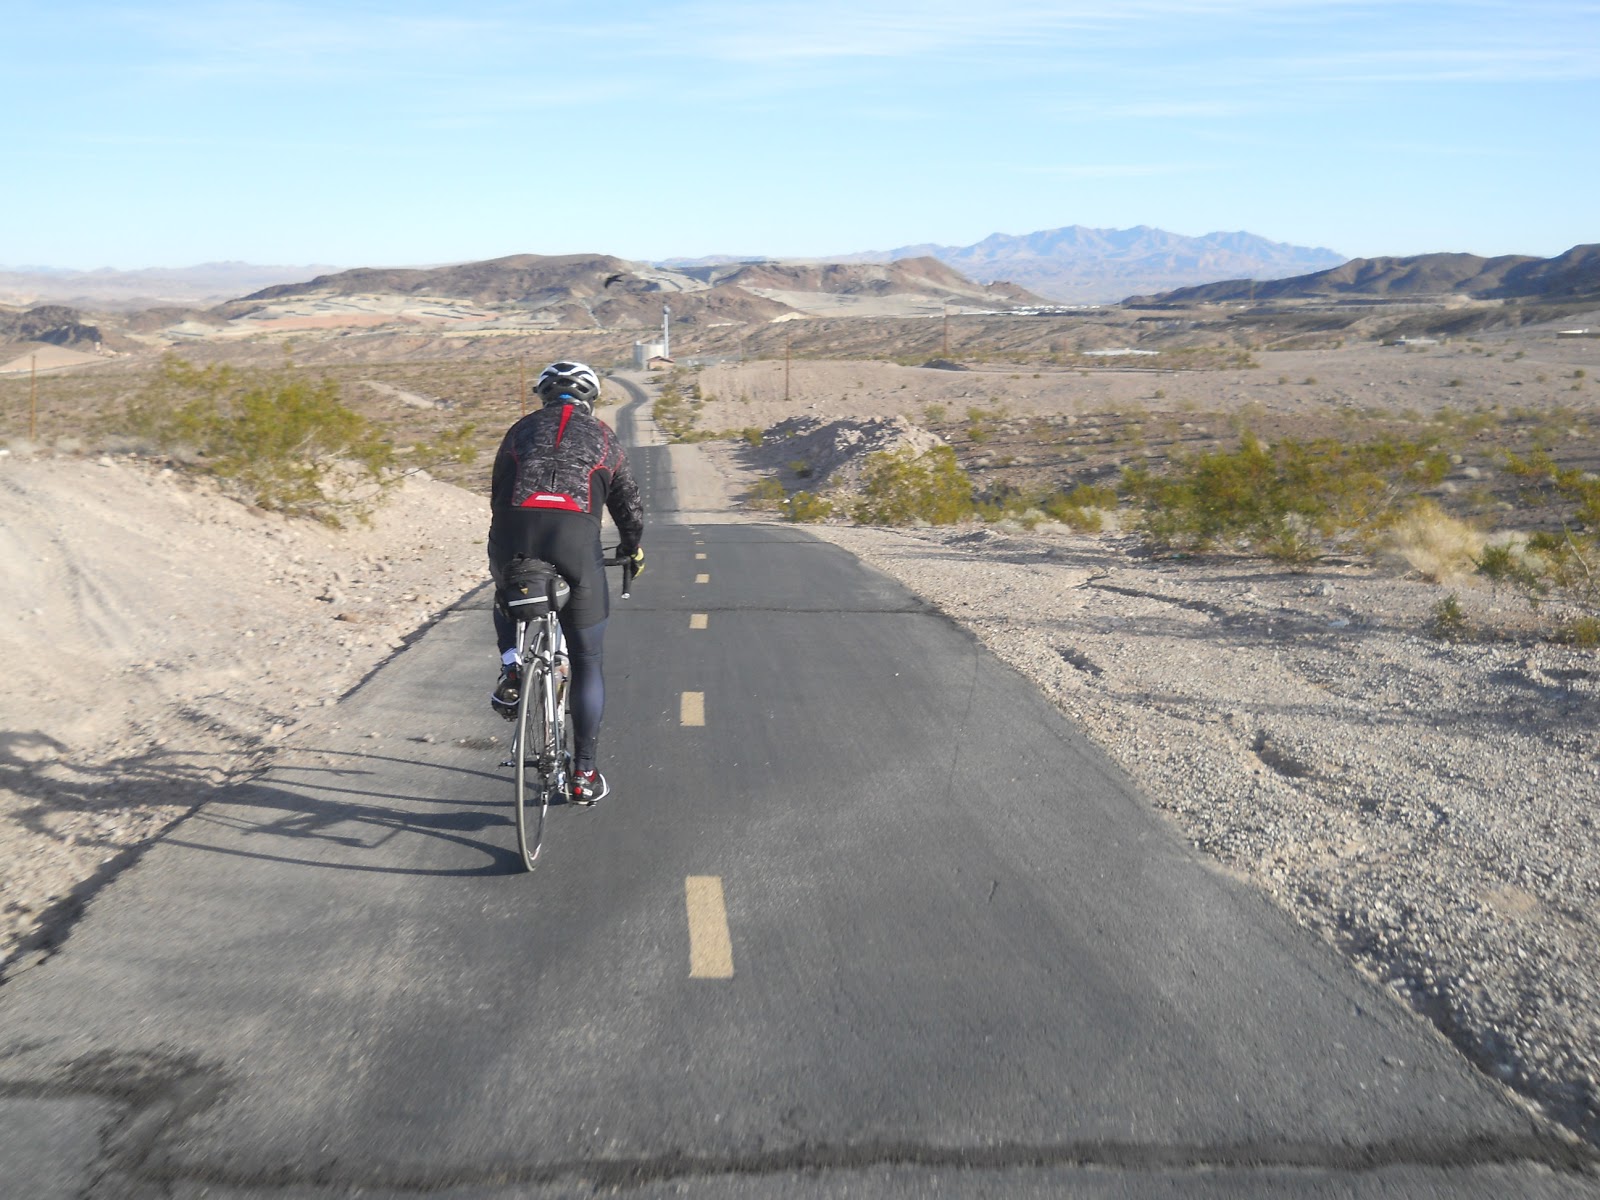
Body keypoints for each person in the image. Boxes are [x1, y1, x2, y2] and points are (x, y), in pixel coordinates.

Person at [488, 361, 644, 804]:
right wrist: (633, 547)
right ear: (590, 399)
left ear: (543, 396)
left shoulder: (519, 430)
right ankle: (583, 774)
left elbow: (498, 490)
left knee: (505, 591)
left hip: (515, 530)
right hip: (574, 538)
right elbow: (629, 505)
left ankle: (513, 663)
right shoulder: (604, 437)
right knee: (587, 659)